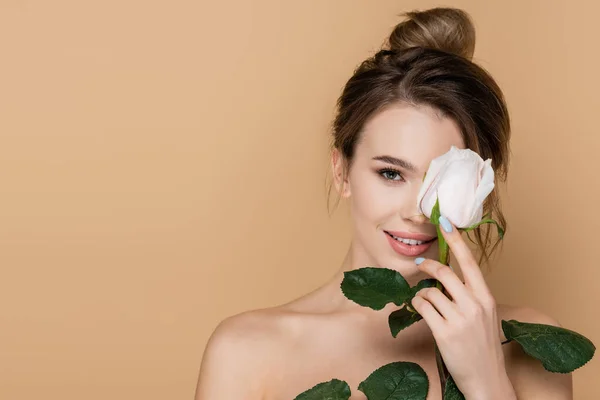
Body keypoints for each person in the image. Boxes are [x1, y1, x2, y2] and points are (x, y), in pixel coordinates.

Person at [194, 7, 573, 399]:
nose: (417, 210)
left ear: (480, 188)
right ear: (342, 171)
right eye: (391, 174)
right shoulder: (246, 351)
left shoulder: (532, 343)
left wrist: (485, 379)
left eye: (439, 182)